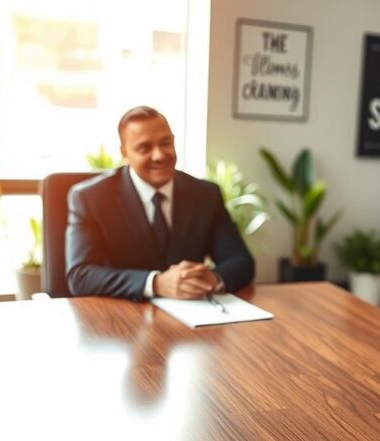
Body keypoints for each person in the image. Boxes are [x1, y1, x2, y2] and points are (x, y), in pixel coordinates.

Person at [66, 106, 254, 300]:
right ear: (124, 153)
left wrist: (210, 279)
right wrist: (157, 283)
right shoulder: (90, 198)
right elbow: (81, 275)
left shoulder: (206, 194)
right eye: (144, 148)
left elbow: (241, 261)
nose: (159, 155)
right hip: (122, 319)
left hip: (194, 316)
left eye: (166, 143)